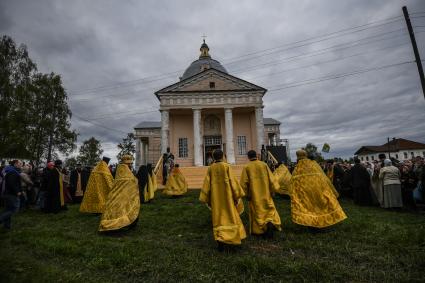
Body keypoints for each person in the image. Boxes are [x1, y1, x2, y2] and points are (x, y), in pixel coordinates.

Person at [199, 149, 246, 251]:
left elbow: (207, 184)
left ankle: (220, 239)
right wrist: (237, 195)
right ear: (222, 157)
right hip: (227, 197)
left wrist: (205, 198)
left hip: (216, 199)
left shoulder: (211, 168)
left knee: (218, 218)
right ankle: (232, 238)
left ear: (213, 158)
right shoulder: (227, 166)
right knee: (230, 216)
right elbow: (233, 182)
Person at [289, 149, 347, 230]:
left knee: (308, 207)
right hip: (317, 189)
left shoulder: (297, 168)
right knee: (318, 205)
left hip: (305, 191)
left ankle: (310, 221)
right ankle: (323, 220)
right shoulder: (314, 164)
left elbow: (292, 181)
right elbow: (323, 177)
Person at [240, 150, 281, 238]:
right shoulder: (264, 165)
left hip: (254, 194)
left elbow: (244, 183)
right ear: (256, 156)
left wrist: (246, 194)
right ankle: (269, 223)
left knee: (257, 211)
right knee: (268, 209)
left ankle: (259, 230)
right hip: (266, 192)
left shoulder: (247, 167)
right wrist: (273, 190)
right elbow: (271, 179)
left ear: (248, 157)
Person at [99, 155, 140, 232]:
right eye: (129, 164)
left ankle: (128, 222)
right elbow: (132, 182)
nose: (130, 165)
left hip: (127, 195)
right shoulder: (124, 170)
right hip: (123, 195)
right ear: (125, 164)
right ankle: (122, 223)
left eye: (131, 163)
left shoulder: (121, 170)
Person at [0, 160, 23, 229]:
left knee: (8, 209)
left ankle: (7, 226)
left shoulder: (11, 171)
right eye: (20, 163)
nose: (21, 165)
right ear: (15, 164)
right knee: (14, 209)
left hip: (7, 193)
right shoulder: (13, 172)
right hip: (11, 194)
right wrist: (17, 191)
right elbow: (12, 183)